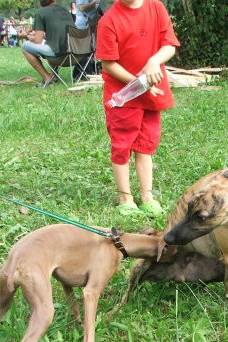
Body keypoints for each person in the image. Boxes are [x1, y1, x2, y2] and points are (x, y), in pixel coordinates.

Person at [96, 0, 179, 216]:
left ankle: (147, 196)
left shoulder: (156, 7)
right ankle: (125, 198)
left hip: (153, 91)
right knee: (122, 144)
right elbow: (108, 63)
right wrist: (138, 84)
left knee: (146, 145)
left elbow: (169, 44)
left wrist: (154, 61)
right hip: (124, 95)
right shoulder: (109, 21)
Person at [21, 0, 75, 86]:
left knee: (25, 46)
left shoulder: (41, 12)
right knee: (49, 43)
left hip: (60, 56)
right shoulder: (65, 11)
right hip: (76, 54)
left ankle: (47, 77)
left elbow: (38, 40)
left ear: (40, 2)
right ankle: (54, 76)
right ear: (54, 1)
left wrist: (26, 35)